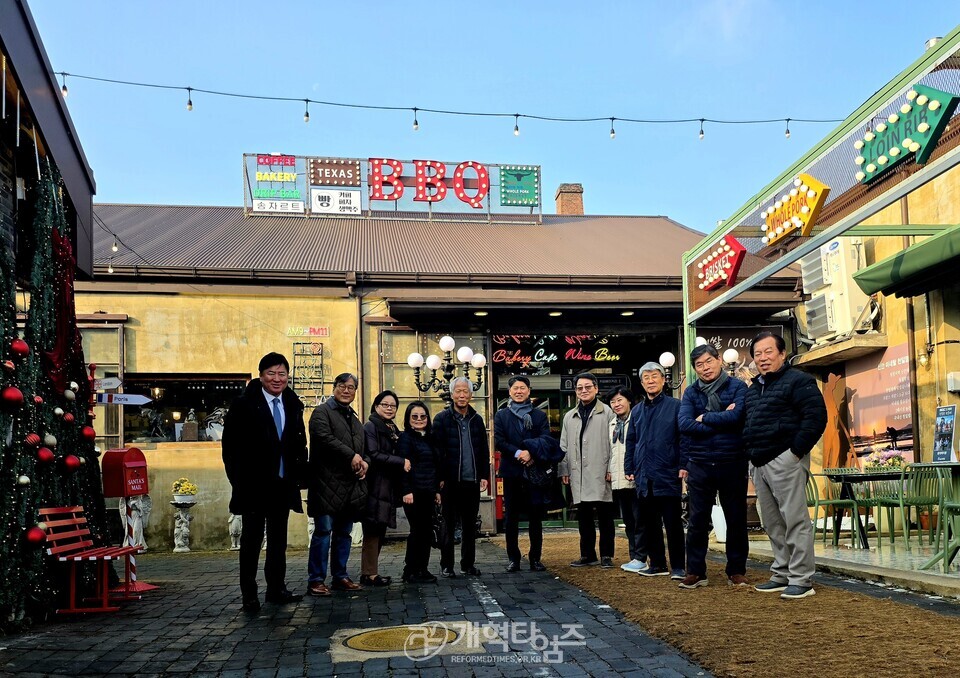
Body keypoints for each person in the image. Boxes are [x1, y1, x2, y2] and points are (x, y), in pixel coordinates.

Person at [743, 331, 827, 600]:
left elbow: (815, 418)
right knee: (772, 522)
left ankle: (801, 578)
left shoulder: (799, 381)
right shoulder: (754, 389)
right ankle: (782, 572)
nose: (763, 358)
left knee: (794, 520)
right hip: (759, 463)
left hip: (785, 459)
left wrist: (794, 453)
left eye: (768, 352)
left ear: (782, 354)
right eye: (758, 354)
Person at [222, 352, 307, 614]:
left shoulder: (292, 403)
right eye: (271, 373)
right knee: (251, 541)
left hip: (282, 485)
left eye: (282, 373)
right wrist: (239, 482)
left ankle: (276, 589)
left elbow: (299, 443)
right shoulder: (244, 404)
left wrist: (299, 475)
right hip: (253, 487)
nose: (277, 379)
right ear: (261, 376)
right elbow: (230, 449)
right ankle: (249, 595)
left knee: (278, 541)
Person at [677, 344, 749, 589]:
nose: (705, 368)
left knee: (736, 518)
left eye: (709, 361)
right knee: (697, 520)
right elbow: (684, 424)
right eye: (699, 365)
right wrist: (722, 420)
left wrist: (705, 417)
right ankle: (696, 572)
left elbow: (738, 417)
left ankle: (736, 570)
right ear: (695, 369)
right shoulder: (691, 392)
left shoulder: (737, 387)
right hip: (700, 463)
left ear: (719, 361)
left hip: (732, 461)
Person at [306, 373, 368, 596]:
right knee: (323, 532)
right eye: (342, 386)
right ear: (334, 388)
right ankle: (316, 580)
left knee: (344, 534)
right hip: (325, 484)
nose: (346, 390)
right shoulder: (322, 412)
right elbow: (324, 439)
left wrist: (365, 463)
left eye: (351, 387)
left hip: (349, 487)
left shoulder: (355, 419)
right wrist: (352, 456)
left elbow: (363, 450)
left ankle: (340, 576)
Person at [625, 362, 685, 580]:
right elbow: (631, 441)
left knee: (673, 523)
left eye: (654, 376)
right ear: (641, 383)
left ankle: (678, 566)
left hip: (667, 472)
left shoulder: (676, 406)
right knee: (650, 523)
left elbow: (683, 438)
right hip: (644, 474)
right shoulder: (637, 410)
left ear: (663, 380)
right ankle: (657, 564)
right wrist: (629, 466)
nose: (650, 381)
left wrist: (683, 464)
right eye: (646, 378)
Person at [495, 375, 554, 572]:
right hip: (511, 472)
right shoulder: (501, 415)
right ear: (509, 392)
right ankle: (514, 558)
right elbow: (499, 441)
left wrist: (531, 453)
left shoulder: (539, 415)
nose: (519, 391)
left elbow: (545, 439)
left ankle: (535, 558)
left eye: (522, 388)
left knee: (535, 517)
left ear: (529, 391)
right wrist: (518, 453)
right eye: (515, 388)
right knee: (511, 518)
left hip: (534, 471)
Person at [434, 377, 490, 577]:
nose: (462, 395)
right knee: (448, 525)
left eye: (465, 391)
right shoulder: (441, 419)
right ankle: (447, 565)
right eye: (458, 391)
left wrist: (484, 475)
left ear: (471, 395)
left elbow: (483, 449)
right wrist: (439, 478)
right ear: (452, 394)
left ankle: (468, 564)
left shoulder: (477, 419)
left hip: (471, 481)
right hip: (450, 481)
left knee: (469, 525)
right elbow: (437, 451)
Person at [559, 372, 617, 568]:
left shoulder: (607, 412)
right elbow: (563, 445)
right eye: (579, 388)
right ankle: (587, 554)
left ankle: (606, 555)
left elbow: (614, 443)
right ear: (575, 391)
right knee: (583, 517)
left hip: (601, 470)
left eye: (588, 387)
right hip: (578, 473)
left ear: (596, 389)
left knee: (605, 515)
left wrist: (611, 468)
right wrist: (564, 469)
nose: (583, 391)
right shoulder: (569, 416)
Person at [360, 390, 407, 587]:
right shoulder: (371, 426)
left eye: (393, 406)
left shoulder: (391, 428)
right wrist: (401, 461)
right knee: (373, 528)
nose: (389, 408)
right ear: (376, 406)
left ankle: (371, 572)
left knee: (379, 528)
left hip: (387, 485)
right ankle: (369, 574)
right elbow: (374, 453)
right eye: (385, 405)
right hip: (375, 484)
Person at [397, 401, 442, 584]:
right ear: (408, 419)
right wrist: (406, 490)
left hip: (428, 492)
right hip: (413, 493)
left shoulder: (430, 438)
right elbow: (402, 467)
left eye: (423, 416)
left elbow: (434, 466)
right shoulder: (405, 438)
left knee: (426, 531)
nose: (419, 419)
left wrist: (436, 491)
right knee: (417, 531)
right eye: (414, 416)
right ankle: (411, 570)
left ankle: (422, 569)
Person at [606, 386, 648, 573]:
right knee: (629, 520)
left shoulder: (638, 419)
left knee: (640, 520)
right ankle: (635, 556)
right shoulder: (612, 424)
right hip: (619, 478)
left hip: (636, 477)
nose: (616, 404)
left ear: (629, 401)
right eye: (613, 401)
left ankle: (642, 556)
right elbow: (611, 451)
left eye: (620, 400)